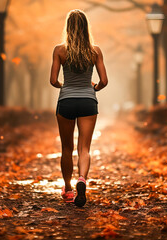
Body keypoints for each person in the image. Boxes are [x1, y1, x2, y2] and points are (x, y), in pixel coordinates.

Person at [49, 9, 108, 207]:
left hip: (66, 101)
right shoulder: (95, 51)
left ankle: (67, 189)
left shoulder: (59, 50)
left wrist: (63, 87)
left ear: (68, 27)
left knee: (67, 148)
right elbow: (104, 81)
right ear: (85, 27)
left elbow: (53, 80)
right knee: (84, 148)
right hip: (88, 102)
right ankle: (82, 179)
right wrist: (94, 87)